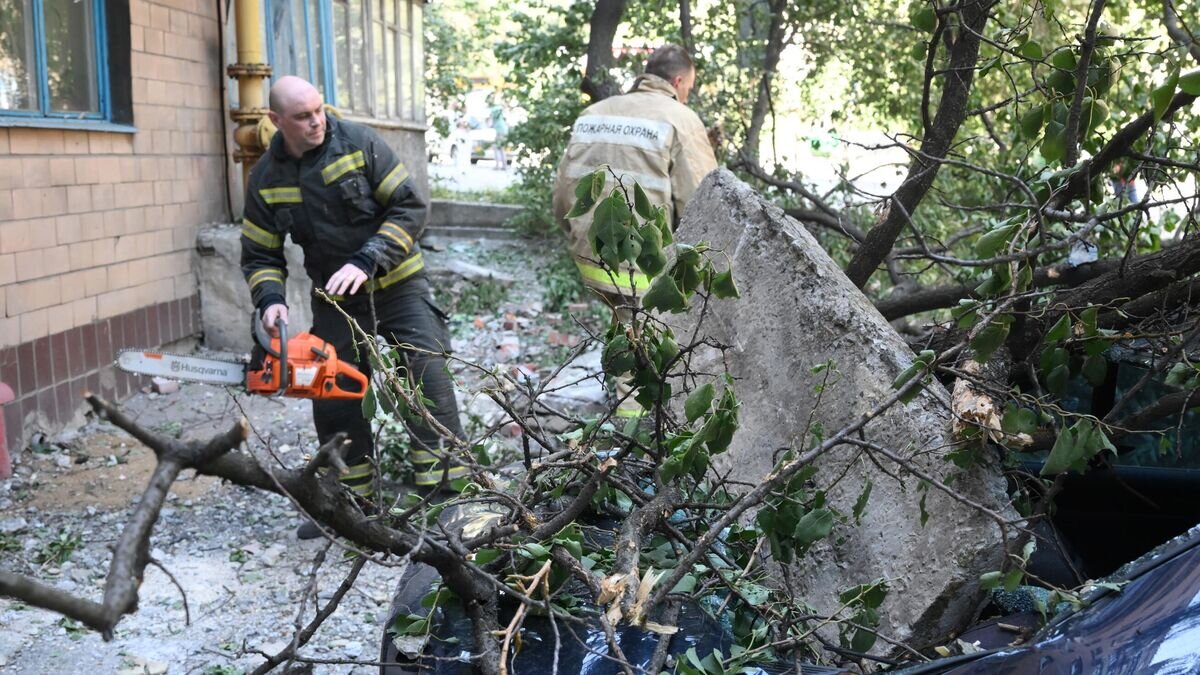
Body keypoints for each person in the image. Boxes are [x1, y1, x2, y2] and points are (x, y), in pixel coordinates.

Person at [241, 76, 467, 538]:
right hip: (334, 299)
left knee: (428, 379)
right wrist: (270, 301)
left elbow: (409, 208)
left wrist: (369, 257)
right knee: (333, 397)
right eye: (302, 116)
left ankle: (450, 500)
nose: (316, 122)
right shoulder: (266, 178)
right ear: (275, 120)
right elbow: (260, 254)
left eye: (318, 110)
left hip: (397, 285)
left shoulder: (359, 143)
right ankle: (348, 504)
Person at [552, 44, 718, 419]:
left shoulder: (593, 114)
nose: (686, 92)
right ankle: (634, 450)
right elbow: (703, 203)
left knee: (626, 331)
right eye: (687, 86)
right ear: (677, 81)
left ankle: (626, 403)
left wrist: (577, 239)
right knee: (640, 366)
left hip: (591, 260)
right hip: (644, 269)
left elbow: (563, 199)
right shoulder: (681, 118)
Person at [487, 92, 509, 170]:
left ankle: (499, 165)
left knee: (497, 147)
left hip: (500, 130)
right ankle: (503, 165)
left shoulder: (495, 109)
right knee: (499, 147)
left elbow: (491, 119)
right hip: (501, 130)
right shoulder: (497, 108)